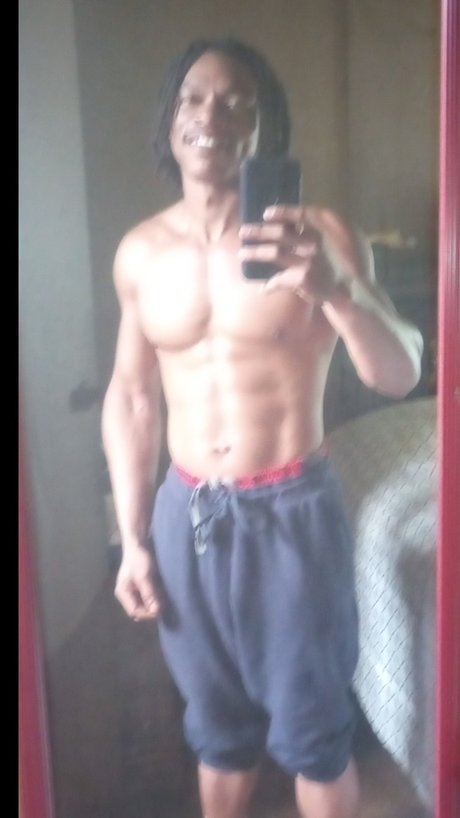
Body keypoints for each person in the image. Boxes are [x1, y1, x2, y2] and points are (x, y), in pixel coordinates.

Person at [101, 37, 423, 818]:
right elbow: (132, 397)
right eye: (193, 98)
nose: (211, 115)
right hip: (187, 514)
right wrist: (134, 538)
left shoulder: (323, 236)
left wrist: (337, 290)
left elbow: (402, 372)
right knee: (217, 731)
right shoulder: (141, 253)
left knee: (314, 733)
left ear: (262, 127)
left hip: (292, 514)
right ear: (171, 119)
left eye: (236, 102)